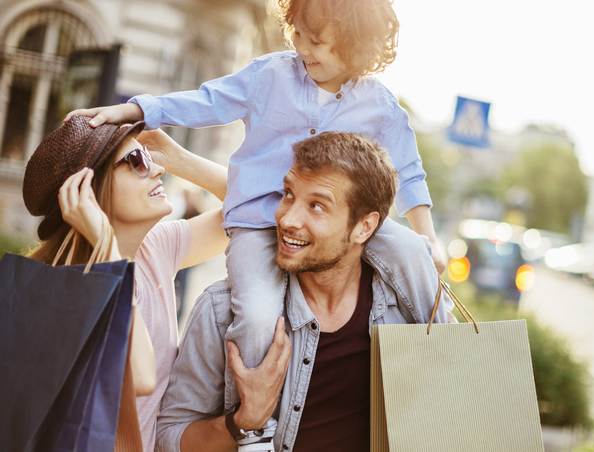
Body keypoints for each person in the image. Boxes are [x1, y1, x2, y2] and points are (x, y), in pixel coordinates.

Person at [65, 0, 447, 436]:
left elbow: (410, 170)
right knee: (259, 316)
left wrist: (428, 234)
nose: (302, 47)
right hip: (256, 226)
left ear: (355, 45)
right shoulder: (271, 76)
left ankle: (449, 360)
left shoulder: (379, 105)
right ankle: (256, 427)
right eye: (297, 34)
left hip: (334, 227)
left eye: (316, 41)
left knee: (412, 251)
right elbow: (208, 101)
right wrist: (136, 110)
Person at [155, 132, 453, 452]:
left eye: (317, 206)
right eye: (288, 195)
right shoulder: (223, 311)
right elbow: (168, 437)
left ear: (364, 227)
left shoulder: (407, 315)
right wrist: (244, 421)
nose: (287, 218)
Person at [23, 116, 230, 451]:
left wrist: (180, 158)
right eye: (135, 161)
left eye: (146, 157)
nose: (156, 170)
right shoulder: (72, 284)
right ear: (88, 189)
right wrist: (106, 245)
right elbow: (142, 376)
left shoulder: (155, 247)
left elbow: (257, 210)